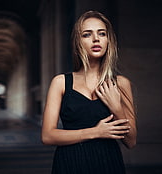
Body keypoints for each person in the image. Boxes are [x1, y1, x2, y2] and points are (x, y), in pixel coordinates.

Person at [41, 10, 137, 174]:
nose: (96, 39)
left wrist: (117, 108)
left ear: (108, 40)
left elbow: (130, 141)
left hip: (108, 163)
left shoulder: (121, 83)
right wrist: (96, 132)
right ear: (78, 42)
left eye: (102, 33)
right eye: (87, 34)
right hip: (70, 163)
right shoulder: (61, 82)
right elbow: (48, 136)